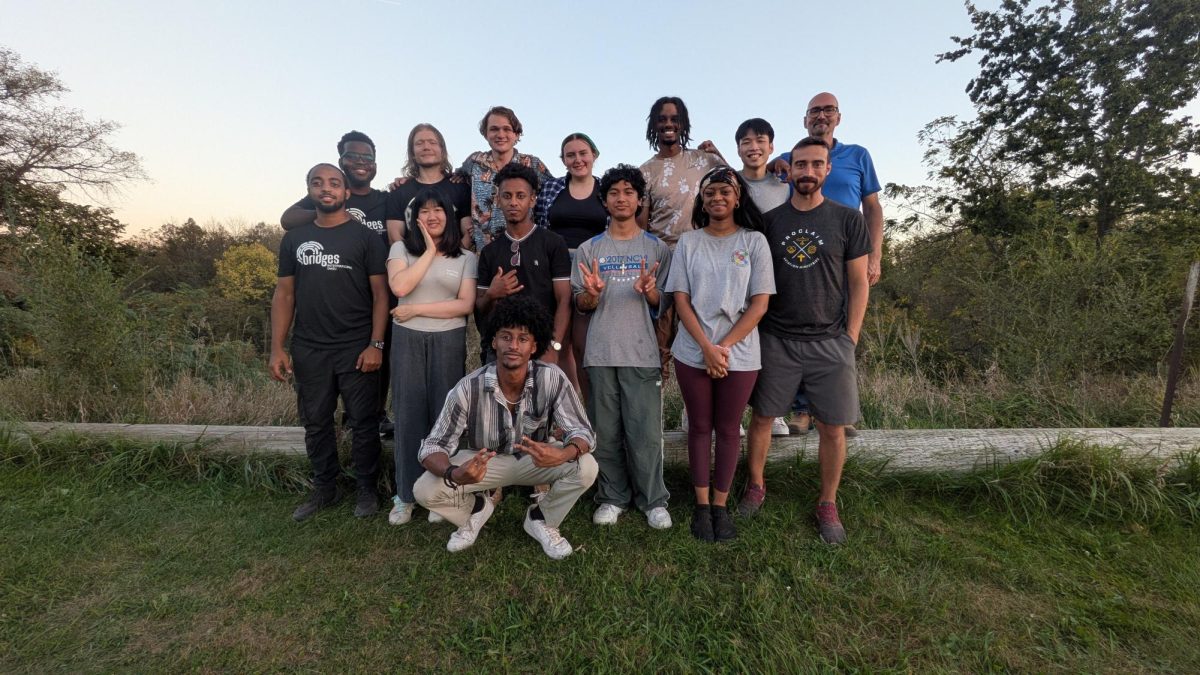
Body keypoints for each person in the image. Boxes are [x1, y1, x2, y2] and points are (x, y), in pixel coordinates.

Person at [744, 138, 871, 545]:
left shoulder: (848, 219)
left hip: (830, 339)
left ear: (828, 170)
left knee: (833, 427)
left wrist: (850, 336)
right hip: (777, 336)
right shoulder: (772, 221)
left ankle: (827, 502)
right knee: (762, 418)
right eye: (801, 164)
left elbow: (858, 283)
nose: (808, 172)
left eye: (817, 164)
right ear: (790, 168)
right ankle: (756, 485)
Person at [413, 295, 598, 559]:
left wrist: (563, 453)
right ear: (493, 341)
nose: (513, 345)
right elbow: (433, 446)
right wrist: (455, 473)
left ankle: (541, 519)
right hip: (485, 463)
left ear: (534, 346)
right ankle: (476, 509)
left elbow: (584, 433)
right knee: (424, 489)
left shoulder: (551, 378)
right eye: (505, 336)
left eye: (523, 339)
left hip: (535, 462)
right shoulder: (469, 387)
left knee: (587, 466)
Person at [270, 164, 389, 521]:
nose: (327, 189)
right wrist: (277, 346)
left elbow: (381, 294)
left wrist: (376, 344)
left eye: (334, 183)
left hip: (356, 345)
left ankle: (367, 489)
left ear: (346, 192)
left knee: (364, 422)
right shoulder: (294, 239)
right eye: (318, 183)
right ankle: (325, 488)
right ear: (309, 190)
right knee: (316, 421)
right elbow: (284, 294)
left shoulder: (366, 238)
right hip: (309, 347)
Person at [664, 166, 774, 542]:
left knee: (728, 430)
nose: (717, 198)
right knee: (699, 426)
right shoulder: (689, 243)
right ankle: (700, 505)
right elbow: (680, 299)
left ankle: (721, 506)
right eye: (709, 193)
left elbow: (759, 304)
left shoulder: (754, 242)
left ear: (737, 197)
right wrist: (706, 348)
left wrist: (722, 349)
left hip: (740, 355)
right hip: (692, 351)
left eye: (724, 192)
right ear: (702, 200)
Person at [771, 93, 882, 436]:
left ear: (838, 117)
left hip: (846, 253)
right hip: (802, 253)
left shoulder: (857, 156)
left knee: (841, 331)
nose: (821, 115)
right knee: (802, 326)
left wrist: (875, 254)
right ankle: (803, 410)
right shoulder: (791, 159)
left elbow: (873, 208)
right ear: (805, 120)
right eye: (814, 111)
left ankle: (834, 411)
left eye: (828, 109)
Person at [572, 164, 672, 529]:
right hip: (600, 353)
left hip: (641, 352)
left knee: (644, 431)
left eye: (629, 192)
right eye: (614, 192)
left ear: (640, 200)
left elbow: (665, 304)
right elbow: (580, 302)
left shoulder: (656, 248)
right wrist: (593, 295)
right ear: (604, 200)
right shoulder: (588, 249)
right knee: (606, 431)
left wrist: (651, 292)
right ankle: (612, 497)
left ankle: (653, 500)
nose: (621, 198)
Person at [279, 131, 394, 436]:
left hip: (378, 293)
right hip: (330, 304)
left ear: (375, 163)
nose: (360, 162)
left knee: (378, 363)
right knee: (321, 404)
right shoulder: (330, 189)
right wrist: (331, 215)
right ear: (341, 161)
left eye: (367, 157)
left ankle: (375, 416)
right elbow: (288, 218)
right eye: (352, 156)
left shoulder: (384, 199)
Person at [385, 187, 477, 526]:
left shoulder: (466, 258)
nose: (433, 215)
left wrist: (416, 310)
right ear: (415, 218)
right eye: (425, 211)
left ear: (450, 217)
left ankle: (441, 493)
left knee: (445, 417)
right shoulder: (400, 249)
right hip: (408, 339)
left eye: (439, 210)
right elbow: (400, 288)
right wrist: (428, 250)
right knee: (408, 414)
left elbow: (464, 305)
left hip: (448, 339)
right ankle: (405, 495)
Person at [475, 164, 571, 368]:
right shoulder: (490, 252)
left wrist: (553, 346)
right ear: (498, 200)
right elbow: (479, 308)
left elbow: (564, 299)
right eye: (507, 196)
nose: (513, 202)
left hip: (541, 347)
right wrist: (492, 294)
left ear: (532, 199)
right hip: (502, 350)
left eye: (520, 196)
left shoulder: (553, 243)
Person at [535, 132, 608, 395]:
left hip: (592, 270)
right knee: (559, 340)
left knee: (584, 340)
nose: (577, 159)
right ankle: (569, 401)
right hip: (556, 267)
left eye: (582, 153)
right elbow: (541, 226)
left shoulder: (605, 190)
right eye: (570, 155)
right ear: (563, 160)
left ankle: (591, 406)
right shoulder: (553, 189)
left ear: (594, 155)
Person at [736, 118, 792, 437]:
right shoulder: (731, 184)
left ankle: (771, 411)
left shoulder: (784, 186)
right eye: (745, 141)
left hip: (775, 274)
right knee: (729, 338)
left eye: (759, 140)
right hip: (736, 274)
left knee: (770, 345)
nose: (753, 147)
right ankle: (721, 414)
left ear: (771, 146)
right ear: (738, 149)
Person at [460, 106, 554, 251]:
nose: (500, 134)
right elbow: (455, 179)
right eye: (494, 129)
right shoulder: (474, 162)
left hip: (524, 250)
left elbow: (553, 193)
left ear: (516, 135)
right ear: (485, 134)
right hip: (482, 252)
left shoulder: (532, 164)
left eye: (507, 129)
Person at [384, 123, 472, 247]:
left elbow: (468, 234)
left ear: (442, 150)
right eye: (419, 143)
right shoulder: (399, 191)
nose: (426, 147)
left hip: (454, 262)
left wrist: (454, 261)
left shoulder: (460, 188)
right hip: (413, 263)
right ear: (412, 153)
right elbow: (395, 238)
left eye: (432, 142)